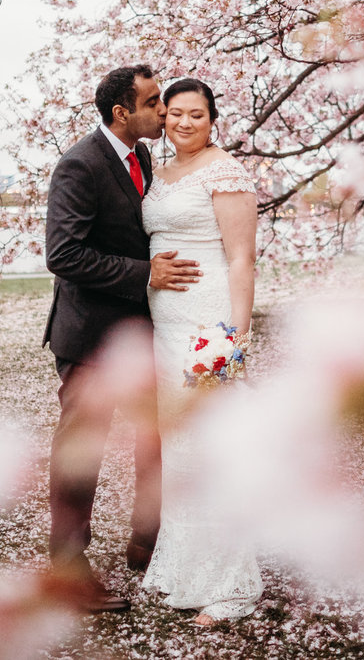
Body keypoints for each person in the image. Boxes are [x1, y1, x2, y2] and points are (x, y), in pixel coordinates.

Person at [43, 64, 202, 613]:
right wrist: (144, 275)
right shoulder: (79, 166)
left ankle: (146, 540)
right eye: (155, 102)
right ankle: (66, 569)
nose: (165, 111)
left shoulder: (143, 158)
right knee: (80, 453)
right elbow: (62, 255)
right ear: (122, 112)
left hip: (144, 335)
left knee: (154, 439)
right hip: (90, 339)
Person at [140, 76, 263, 624]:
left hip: (207, 325)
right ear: (162, 117)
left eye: (197, 114)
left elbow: (242, 259)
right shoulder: (157, 174)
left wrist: (235, 336)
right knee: (180, 452)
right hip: (164, 325)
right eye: (175, 114)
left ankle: (229, 585)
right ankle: (185, 571)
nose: (184, 123)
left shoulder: (226, 172)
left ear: (213, 119)